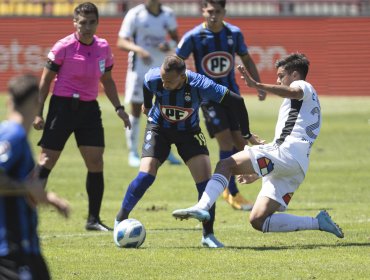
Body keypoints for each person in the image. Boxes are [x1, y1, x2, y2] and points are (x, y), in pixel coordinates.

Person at [172, 53, 344, 240]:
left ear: (295, 75)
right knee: (258, 220)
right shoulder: (306, 104)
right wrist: (258, 171)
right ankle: (317, 222)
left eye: (281, 76)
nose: (278, 81)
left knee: (225, 165)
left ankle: (202, 207)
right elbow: (290, 135)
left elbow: (294, 92)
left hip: (285, 154)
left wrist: (257, 85)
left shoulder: (302, 86)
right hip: (296, 165)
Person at [115, 55, 260, 248]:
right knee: (146, 175)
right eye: (163, 80)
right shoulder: (153, 78)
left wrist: (247, 134)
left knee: (205, 183)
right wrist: (148, 106)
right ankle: (120, 220)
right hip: (159, 129)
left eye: (170, 81)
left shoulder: (202, 84)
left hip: (188, 133)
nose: (164, 85)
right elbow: (146, 86)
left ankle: (208, 235)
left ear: (183, 77)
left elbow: (237, 102)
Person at [32, 2, 131, 232]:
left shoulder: (103, 47)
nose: (87, 27)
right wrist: (39, 113)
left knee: (96, 162)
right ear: (74, 22)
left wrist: (119, 108)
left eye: (92, 22)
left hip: (89, 110)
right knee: (46, 160)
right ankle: (27, 212)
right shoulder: (63, 47)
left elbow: (107, 80)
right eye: (82, 22)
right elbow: (45, 81)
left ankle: (93, 220)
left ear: (98, 22)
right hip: (62, 108)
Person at [176, 0, 265, 211]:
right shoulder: (193, 36)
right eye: (210, 11)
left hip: (231, 96)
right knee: (225, 141)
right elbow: (175, 63)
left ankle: (238, 188)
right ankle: (231, 191)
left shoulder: (234, 33)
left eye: (218, 11)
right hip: (209, 99)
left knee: (240, 141)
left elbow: (247, 58)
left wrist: (258, 84)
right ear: (203, 11)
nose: (213, 15)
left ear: (224, 11)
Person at [0, 74, 70, 280]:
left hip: (27, 247)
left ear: (9, 101)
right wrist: (26, 188)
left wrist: (47, 197)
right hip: (11, 248)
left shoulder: (14, 134)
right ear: (37, 102)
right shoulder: (13, 134)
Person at [117, 0, 182, 167]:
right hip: (139, 68)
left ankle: (166, 152)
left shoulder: (167, 14)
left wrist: (168, 45)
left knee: (166, 109)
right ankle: (133, 152)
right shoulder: (135, 14)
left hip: (162, 69)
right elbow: (121, 41)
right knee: (137, 109)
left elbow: (177, 39)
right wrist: (139, 50)